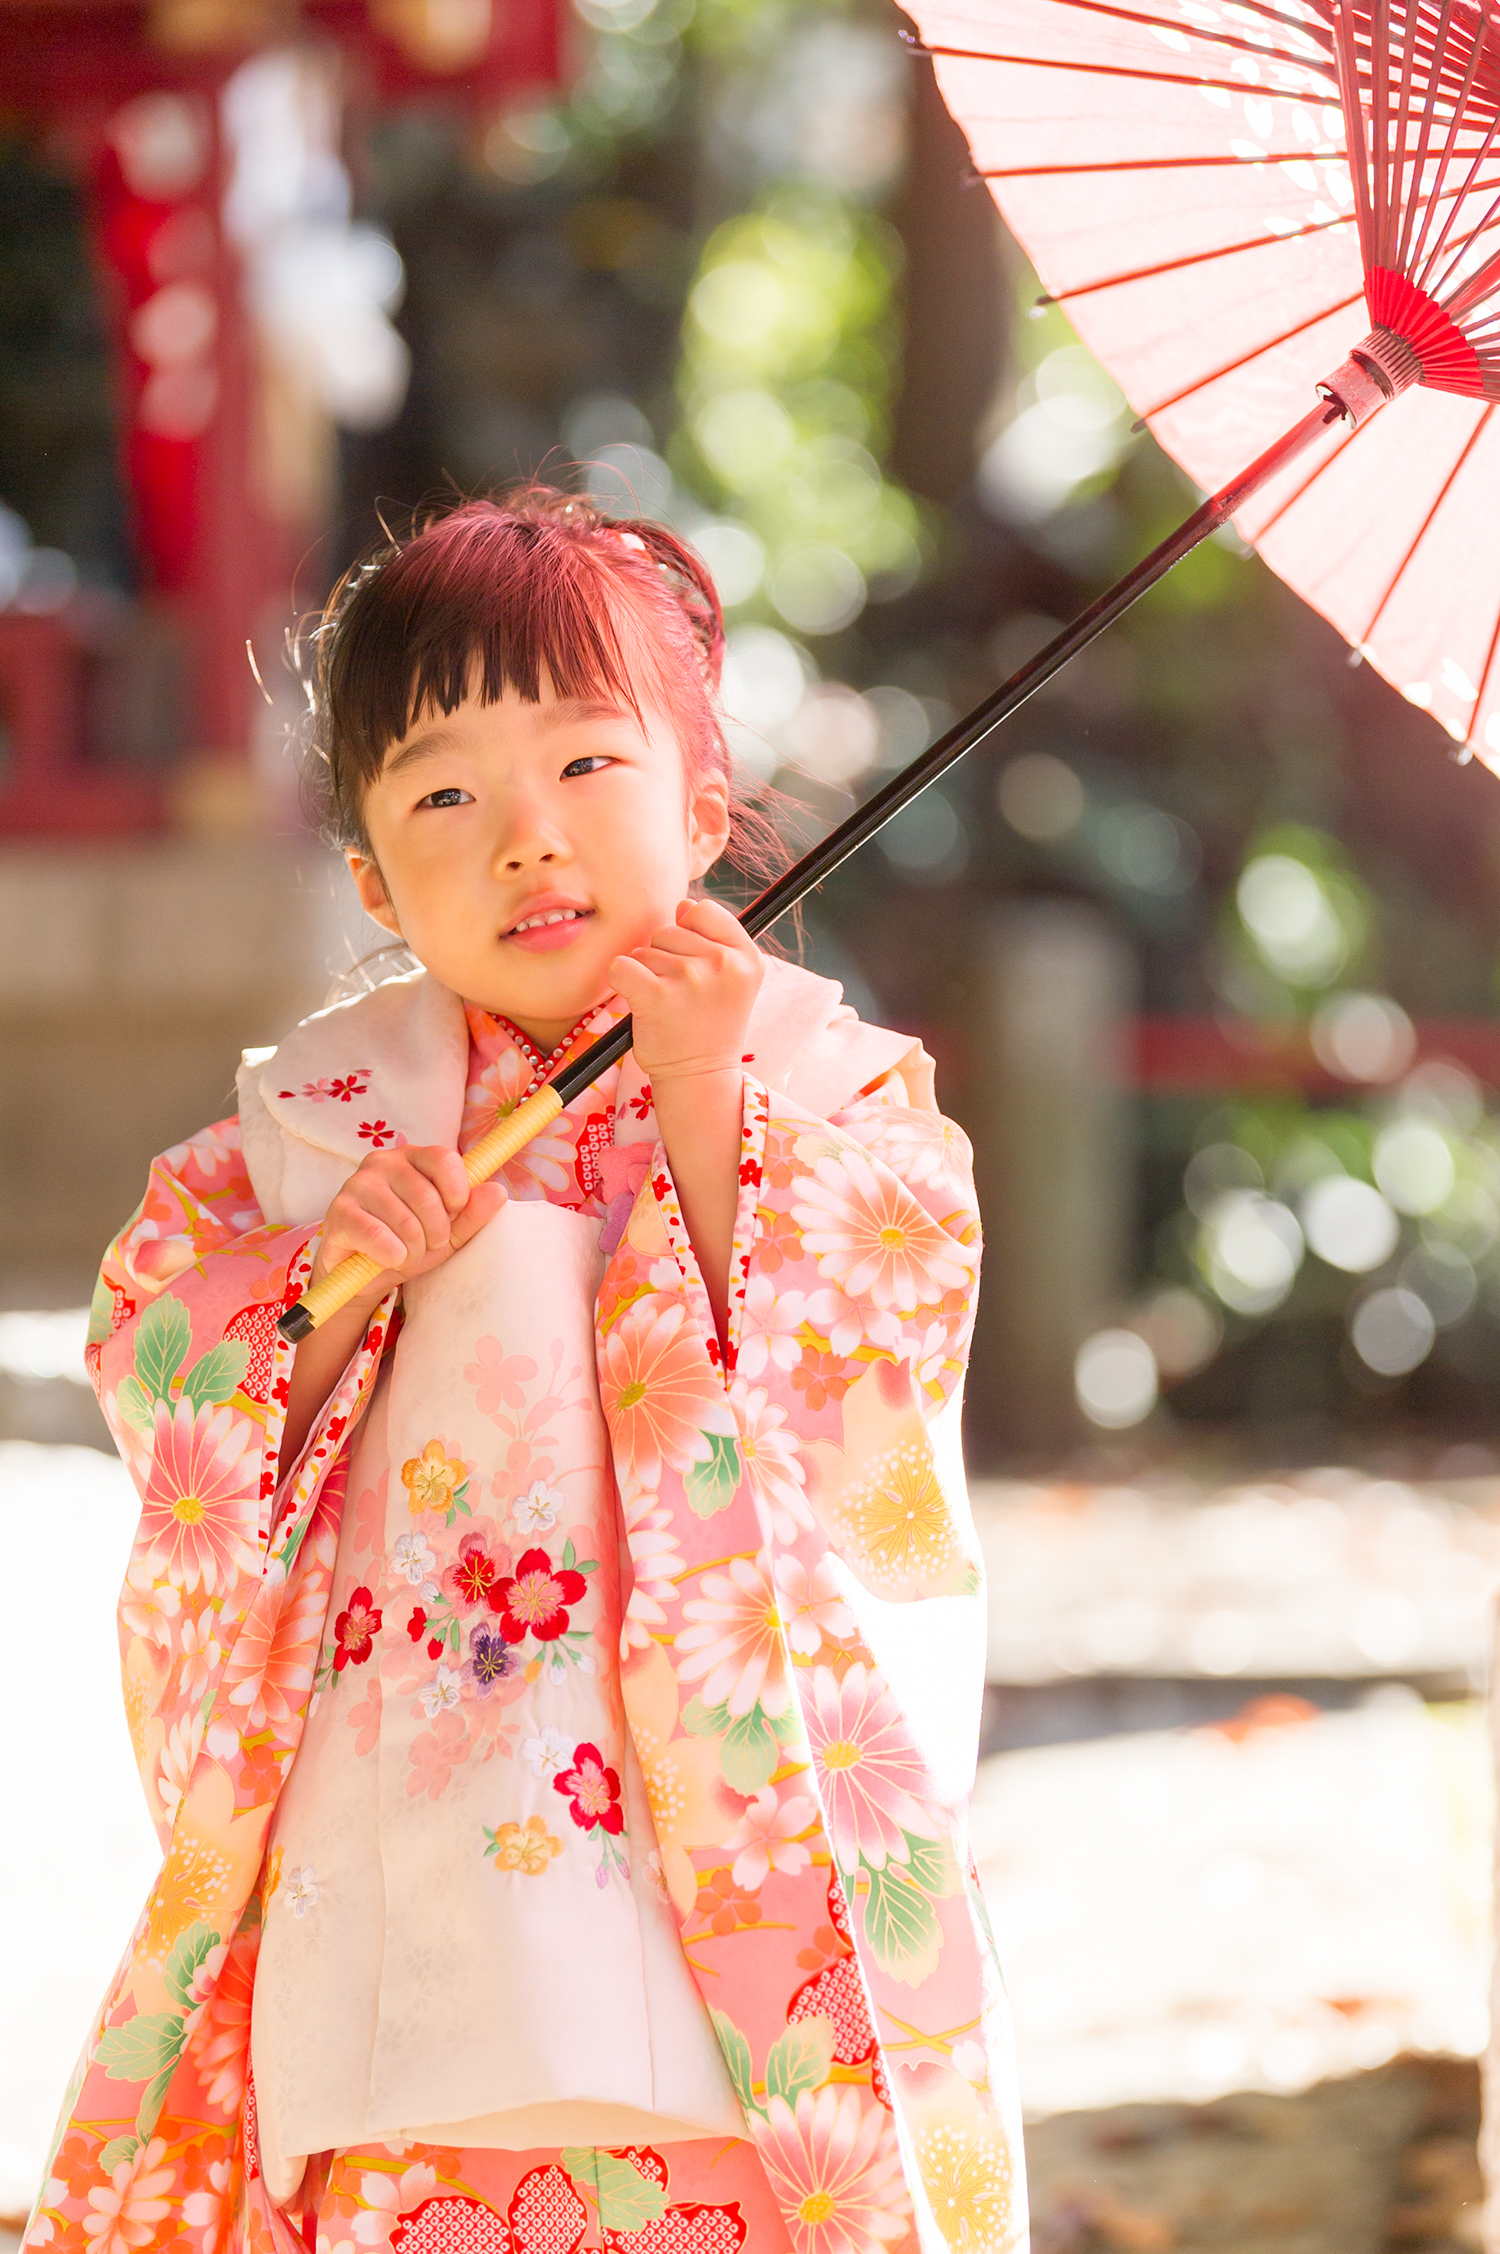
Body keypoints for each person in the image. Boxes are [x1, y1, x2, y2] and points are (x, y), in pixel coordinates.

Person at [26, 493, 1025, 2254]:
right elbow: (164, 1361)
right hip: (405, 1822)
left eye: (584, 767)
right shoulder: (314, 1124)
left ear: (703, 809)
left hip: (717, 1844)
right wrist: (334, 1274)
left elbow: (863, 1393)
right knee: (425, 2137)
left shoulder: (829, 1084)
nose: (525, 842)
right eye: (441, 797)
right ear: (367, 878)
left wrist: (711, 1104)